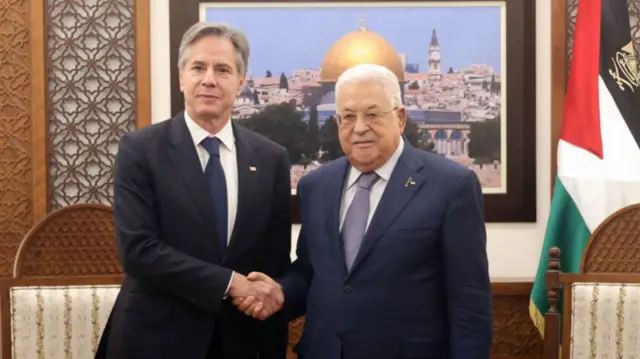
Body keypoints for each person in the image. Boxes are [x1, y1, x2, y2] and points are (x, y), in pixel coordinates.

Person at [234, 63, 493, 359]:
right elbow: (312, 271)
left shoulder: (450, 186)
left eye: (372, 114)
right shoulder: (317, 186)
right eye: (348, 117)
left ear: (401, 118)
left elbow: (469, 303)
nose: (359, 127)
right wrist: (280, 292)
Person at [95, 22, 292, 359]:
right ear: (181, 77)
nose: (209, 79)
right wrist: (231, 284)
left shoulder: (271, 158)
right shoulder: (140, 150)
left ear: (241, 81)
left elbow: (273, 261)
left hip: (241, 340)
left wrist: (269, 297)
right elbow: (138, 251)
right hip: (155, 340)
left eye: (223, 69)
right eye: (198, 67)